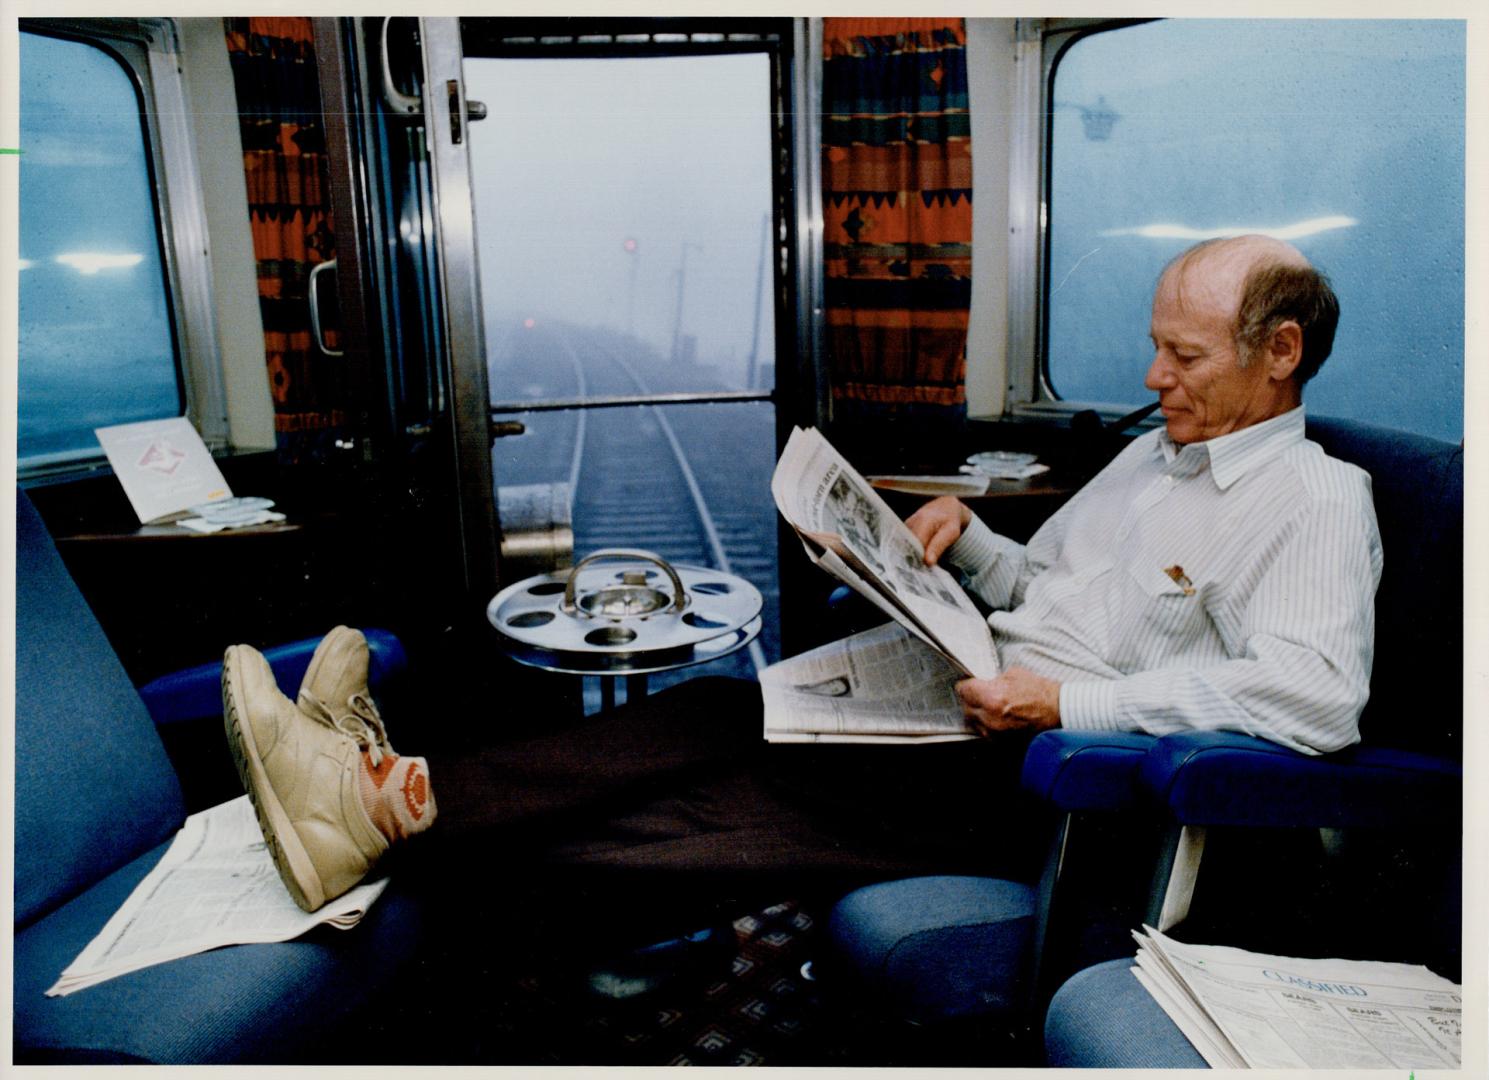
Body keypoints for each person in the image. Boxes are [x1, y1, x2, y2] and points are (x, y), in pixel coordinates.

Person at [223, 234, 1381, 918]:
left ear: (1278, 355)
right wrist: (961, 543)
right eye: (1155, 345)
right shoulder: (1151, 459)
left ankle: (376, 819)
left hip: (1058, 777)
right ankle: (390, 790)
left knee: (716, 807)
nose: (1152, 373)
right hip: (981, 709)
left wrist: (1064, 705)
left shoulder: (1317, 501)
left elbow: (1314, 700)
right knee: (725, 708)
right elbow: (1045, 588)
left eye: (1180, 355)